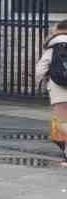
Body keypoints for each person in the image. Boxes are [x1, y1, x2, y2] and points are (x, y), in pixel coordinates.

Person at [36, 19, 67, 163]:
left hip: (59, 87)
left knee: (62, 122)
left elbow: (40, 69)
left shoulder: (53, 46)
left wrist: (39, 83)